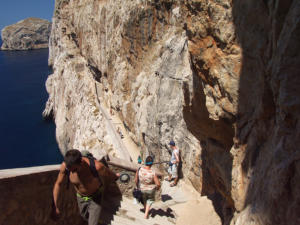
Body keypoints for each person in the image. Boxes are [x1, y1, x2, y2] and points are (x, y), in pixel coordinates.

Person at [51, 149, 119, 225]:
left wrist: (115, 176)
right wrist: (55, 206)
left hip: (96, 197)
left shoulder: (96, 167)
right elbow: (58, 184)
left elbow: (108, 173)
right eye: (70, 170)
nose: (72, 172)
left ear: (81, 162)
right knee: (84, 216)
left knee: (92, 223)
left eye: (75, 169)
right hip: (80, 197)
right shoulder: (66, 167)